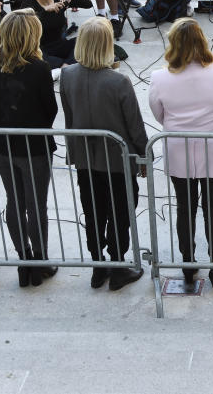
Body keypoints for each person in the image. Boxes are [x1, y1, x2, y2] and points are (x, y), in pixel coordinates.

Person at [149, 18, 213, 288]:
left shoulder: (160, 77)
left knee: (184, 208)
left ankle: (188, 262)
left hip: (180, 149)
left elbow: (158, 113)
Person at [60, 17, 147, 291]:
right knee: (120, 212)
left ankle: (99, 266)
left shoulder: (68, 75)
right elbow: (135, 125)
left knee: (93, 211)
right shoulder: (119, 82)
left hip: (86, 158)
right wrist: (144, 156)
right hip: (118, 162)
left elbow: (69, 115)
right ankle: (119, 265)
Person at [0, 9, 59, 287]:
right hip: (33, 146)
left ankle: (23, 260)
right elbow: (50, 109)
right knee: (36, 206)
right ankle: (38, 261)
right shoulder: (39, 67)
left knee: (14, 202)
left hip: (1, 142)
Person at [24, 0, 92, 69]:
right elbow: (23, 26)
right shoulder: (30, 4)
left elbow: (88, 4)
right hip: (39, 49)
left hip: (59, 45)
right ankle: (67, 64)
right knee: (32, 58)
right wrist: (45, 11)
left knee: (87, 39)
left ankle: (65, 65)